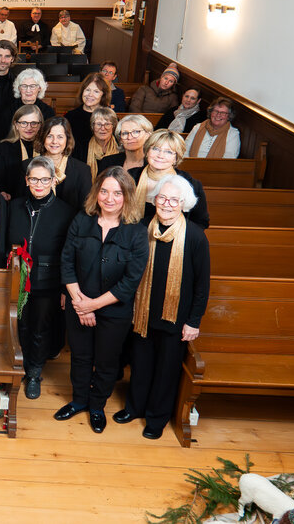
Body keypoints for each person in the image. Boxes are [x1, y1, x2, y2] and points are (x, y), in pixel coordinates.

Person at [115, 174, 209, 439]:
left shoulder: (195, 237)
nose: (167, 204)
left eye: (174, 200)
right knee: (140, 364)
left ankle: (156, 418)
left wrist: (193, 321)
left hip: (175, 317)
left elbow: (202, 285)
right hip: (143, 311)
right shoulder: (142, 227)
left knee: (166, 371)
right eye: (162, 198)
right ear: (154, 199)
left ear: (184, 203)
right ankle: (135, 408)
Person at [55, 166, 149, 434]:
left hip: (114, 311)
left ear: (127, 196)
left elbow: (131, 281)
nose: (109, 198)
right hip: (78, 303)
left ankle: (97, 406)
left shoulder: (136, 232)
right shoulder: (81, 220)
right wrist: (80, 303)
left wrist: (92, 306)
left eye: (117, 193)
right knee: (80, 357)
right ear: (96, 192)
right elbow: (67, 262)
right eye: (104, 191)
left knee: (107, 361)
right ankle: (79, 400)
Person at [7, 156, 76, 399]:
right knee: (19, 325)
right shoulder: (14, 207)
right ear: (26, 180)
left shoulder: (66, 212)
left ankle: (35, 373)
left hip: (48, 281)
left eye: (45, 179)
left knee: (39, 328)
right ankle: (18, 368)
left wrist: (65, 289)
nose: (39, 184)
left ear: (53, 181)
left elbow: (69, 254)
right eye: (34, 179)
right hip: (17, 279)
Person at [128, 130, 211, 228]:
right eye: (155, 149)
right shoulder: (130, 177)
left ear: (176, 158)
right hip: (132, 235)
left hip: (174, 236)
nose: (160, 155)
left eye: (168, 152)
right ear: (147, 152)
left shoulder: (191, 184)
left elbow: (201, 222)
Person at [27, 117, 91, 209]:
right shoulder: (26, 166)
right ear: (43, 138)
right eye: (49, 136)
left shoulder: (82, 170)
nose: (54, 141)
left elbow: (86, 208)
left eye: (60, 137)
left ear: (67, 139)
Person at [0, 104, 43, 198]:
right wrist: (2, 192)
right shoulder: (3, 148)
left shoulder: (45, 148)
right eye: (24, 123)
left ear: (40, 125)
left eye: (34, 123)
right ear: (16, 125)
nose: (29, 128)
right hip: (12, 199)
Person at [64, 72, 113, 152]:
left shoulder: (110, 117)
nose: (90, 95)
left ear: (103, 95)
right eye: (87, 90)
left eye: (96, 91)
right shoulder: (70, 117)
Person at [80, 107, 120, 181]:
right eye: (98, 124)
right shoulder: (82, 147)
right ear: (93, 126)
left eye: (107, 124)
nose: (103, 128)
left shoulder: (120, 146)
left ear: (113, 126)